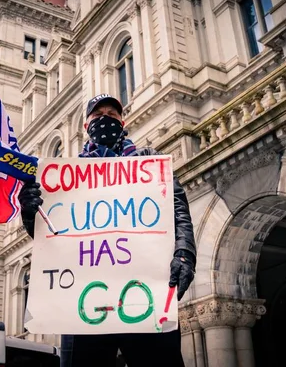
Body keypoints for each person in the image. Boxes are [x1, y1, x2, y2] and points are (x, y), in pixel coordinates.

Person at [18, 94, 197, 367]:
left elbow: (178, 211)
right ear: (86, 125)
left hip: (143, 297)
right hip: (83, 306)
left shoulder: (148, 161)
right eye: (97, 114)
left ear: (122, 122)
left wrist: (184, 253)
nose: (105, 119)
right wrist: (30, 211)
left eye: (111, 114)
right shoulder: (65, 176)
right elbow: (51, 237)